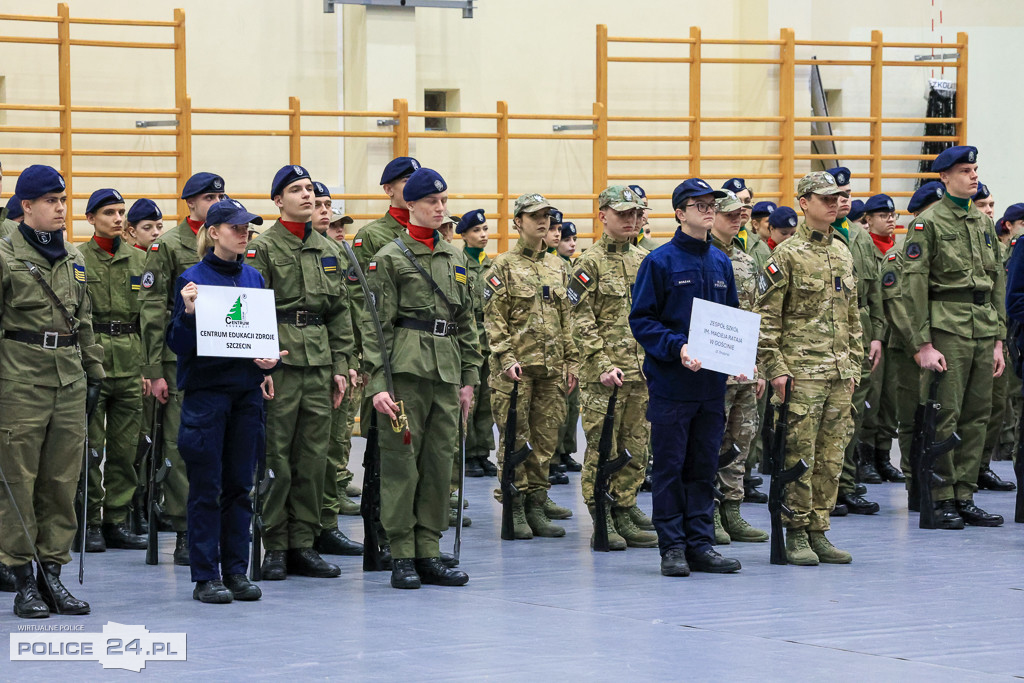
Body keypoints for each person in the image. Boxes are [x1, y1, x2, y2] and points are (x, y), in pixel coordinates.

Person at [362, 167, 481, 589]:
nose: (440, 207)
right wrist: (379, 384)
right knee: (400, 463)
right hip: (405, 370)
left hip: (447, 371)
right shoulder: (391, 258)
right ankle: (401, 553)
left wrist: (469, 378)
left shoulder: (457, 257)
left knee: (439, 463)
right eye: (431, 202)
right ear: (409, 205)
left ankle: (429, 548)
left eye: (443, 201)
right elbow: (376, 327)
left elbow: (468, 321)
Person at [0, 165, 104, 618]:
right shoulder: (4, 255)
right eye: (50, 201)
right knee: (18, 483)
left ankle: (52, 575)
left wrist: (95, 373)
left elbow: (84, 322)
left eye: (63, 200)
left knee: (62, 482)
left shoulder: (75, 259)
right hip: (18, 379)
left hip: (69, 378)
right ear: (27, 206)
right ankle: (22, 578)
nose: (61, 208)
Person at [246, 165, 359, 579]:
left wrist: (342, 365)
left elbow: (340, 312)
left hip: (320, 363)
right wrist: (261, 364)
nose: (307, 196)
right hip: (280, 361)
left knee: (314, 459)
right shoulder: (263, 249)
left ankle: (304, 543)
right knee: (277, 457)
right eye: (296, 190)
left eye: (310, 189)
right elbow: (252, 309)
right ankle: (274, 544)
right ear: (278, 201)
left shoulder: (329, 249)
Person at [629, 177, 743, 577]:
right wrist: (677, 346)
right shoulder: (658, 262)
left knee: (703, 465)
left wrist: (740, 356)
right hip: (673, 384)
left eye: (712, 204)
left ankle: (700, 543)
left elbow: (731, 320)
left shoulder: (721, 262)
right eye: (699, 204)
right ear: (679, 213)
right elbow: (642, 320)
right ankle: (672, 546)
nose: (708, 210)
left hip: (710, 386)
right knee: (670, 467)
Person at [166, 198, 277, 604]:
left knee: (239, 486)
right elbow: (178, 344)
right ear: (214, 233)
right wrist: (190, 313)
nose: (244, 232)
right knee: (206, 487)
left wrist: (268, 364)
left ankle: (236, 570)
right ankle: (205, 575)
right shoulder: (192, 279)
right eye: (236, 227)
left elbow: (261, 338)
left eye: (248, 226)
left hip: (246, 394)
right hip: (207, 396)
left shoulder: (254, 278)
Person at [755, 171, 862, 565]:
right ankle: (795, 530)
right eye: (825, 198)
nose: (834, 204)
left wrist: (853, 368)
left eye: (838, 198)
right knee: (798, 455)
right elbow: (766, 319)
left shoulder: (843, 252)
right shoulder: (785, 256)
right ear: (804, 203)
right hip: (800, 373)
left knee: (831, 456)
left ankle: (819, 528)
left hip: (837, 373)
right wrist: (777, 369)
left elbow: (852, 316)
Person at [902, 146, 1005, 527]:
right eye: (965, 170)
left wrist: (999, 340)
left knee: (978, 416)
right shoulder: (927, 223)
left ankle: (965, 493)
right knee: (944, 415)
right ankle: (942, 495)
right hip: (947, 326)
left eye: (975, 169)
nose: (973, 176)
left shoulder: (981, 224)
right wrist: (922, 344)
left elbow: (996, 281)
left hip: (982, 325)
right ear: (944, 178)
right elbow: (912, 287)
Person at [140, 171, 227, 565]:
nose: (215, 201)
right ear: (190, 203)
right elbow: (153, 309)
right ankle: (183, 528)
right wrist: (155, 368)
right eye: (207, 197)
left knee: (221, 444)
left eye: (220, 195)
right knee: (182, 444)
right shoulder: (169, 246)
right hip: (181, 361)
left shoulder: (233, 238)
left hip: (226, 360)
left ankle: (218, 526)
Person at [484, 193, 579, 539]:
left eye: (546, 215)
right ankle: (516, 507)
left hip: (552, 370)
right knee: (515, 441)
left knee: (545, 441)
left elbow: (568, 318)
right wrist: (506, 359)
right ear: (517, 221)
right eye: (534, 215)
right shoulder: (502, 266)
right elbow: (494, 321)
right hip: (516, 372)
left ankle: (537, 504)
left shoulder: (559, 267)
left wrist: (572, 361)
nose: (542, 221)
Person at [568, 186, 656, 550]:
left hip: (642, 373)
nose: (631, 220)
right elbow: (579, 319)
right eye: (623, 214)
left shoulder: (645, 260)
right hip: (605, 376)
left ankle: (624, 507)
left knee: (637, 447)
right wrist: (601, 364)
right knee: (603, 448)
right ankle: (601, 514)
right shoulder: (587, 263)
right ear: (603, 215)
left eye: (636, 214)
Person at [80, 188, 149, 552]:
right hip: (92, 364)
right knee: (91, 448)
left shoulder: (139, 261)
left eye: (121, 212)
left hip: (130, 361)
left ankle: (116, 520)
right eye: (109, 213)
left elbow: (149, 319)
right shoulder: (76, 259)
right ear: (91, 219)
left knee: (125, 449)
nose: (118, 219)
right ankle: (89, 522)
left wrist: (148, 368)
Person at [707, 190, 769, 544]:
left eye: (740, 213)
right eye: (728, 213)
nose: (736, 218)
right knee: (712, 442)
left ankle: (733, 509)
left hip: (744, 369)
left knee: (741, 441)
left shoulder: (746, 262)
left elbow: (756, 317)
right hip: (714, 368)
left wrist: (757, 364)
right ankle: (710, 511)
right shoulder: (702, 257)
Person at [309, 181, 366, 554]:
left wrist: (350, 360)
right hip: (296, 363)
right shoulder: (266, 250)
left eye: (329, 205)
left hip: (335, 361)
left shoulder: (339, 253)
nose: (327, 212)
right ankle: (294, 531)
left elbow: (349, 312)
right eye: (320, 205)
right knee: (296, 453)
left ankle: (325, 523)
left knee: (335, 445)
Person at [879, 181, 944, 501]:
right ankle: (915, 482)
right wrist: (917, 345)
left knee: (938, 414)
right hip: (907, 350)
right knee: (911, 417)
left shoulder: (940, 253)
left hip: (939, 342)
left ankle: (938, 480)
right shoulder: (898, 256)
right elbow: (896, 305)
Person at [824, 167, 883, 516]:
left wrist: (876, 337)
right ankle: (821, 491)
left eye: (847, 195)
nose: (843, 201)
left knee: (851, 414)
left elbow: (873, 294)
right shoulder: (812, 238)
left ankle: (846, 485)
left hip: (856, 332)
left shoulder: (860, 237)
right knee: (819, 418)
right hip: (819, 337)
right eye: (836, 195)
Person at [455, 209, 497, 478]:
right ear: (464, 235)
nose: (483, 235)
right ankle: (466, 453)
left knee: (487, 400)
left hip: (489, 338)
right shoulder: (458, 263)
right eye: (476, 231)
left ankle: (482, 451)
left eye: (485, 230)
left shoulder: (492, 265)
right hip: (469, 339)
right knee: (468, 398)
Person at [551, 219, 581, 485]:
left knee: (572, 405)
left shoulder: (573, 267)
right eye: (564, 238)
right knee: (556, 404)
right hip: (554, 345)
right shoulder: (551, 267)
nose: (570, 243)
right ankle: (553, 456)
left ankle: (566, 450)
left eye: (572, 239)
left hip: (574, 342)